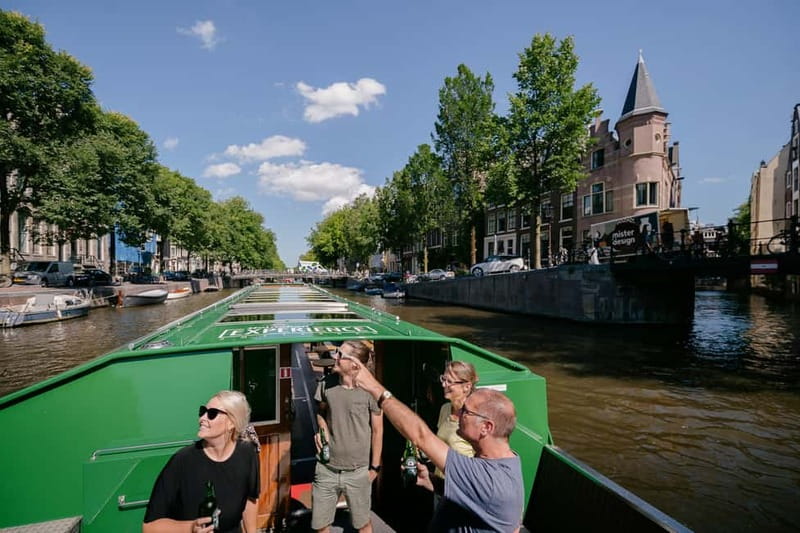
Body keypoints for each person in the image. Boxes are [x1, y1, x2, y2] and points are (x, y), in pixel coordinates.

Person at [352, 360, 523, 532]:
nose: (460, 413)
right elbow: (474, 498)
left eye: (467, 412)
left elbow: (421, 435)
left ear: (486, 427)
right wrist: (434, 482)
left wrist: (376, 389)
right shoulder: (501, 464)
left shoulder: (489, 480)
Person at [143, 390, 260, 533]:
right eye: (202, 411)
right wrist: (190, 528)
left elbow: (250, 499)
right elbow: (149, 527)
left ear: (231, 423)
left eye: (212, 414)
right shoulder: (183, 461)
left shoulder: (247, 453)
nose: (202, 418)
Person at [312, 340, 384, 533]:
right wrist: (321, 428)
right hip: (326, 468)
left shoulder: (371, 390)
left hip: (357, 471)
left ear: (355, 364)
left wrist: (374, 468)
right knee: (320, 526)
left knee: (363, 524)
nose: (335, 357)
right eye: (337, 352)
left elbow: (378, 430)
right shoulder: (326, 385)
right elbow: (321, 413)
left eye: (341, 354)